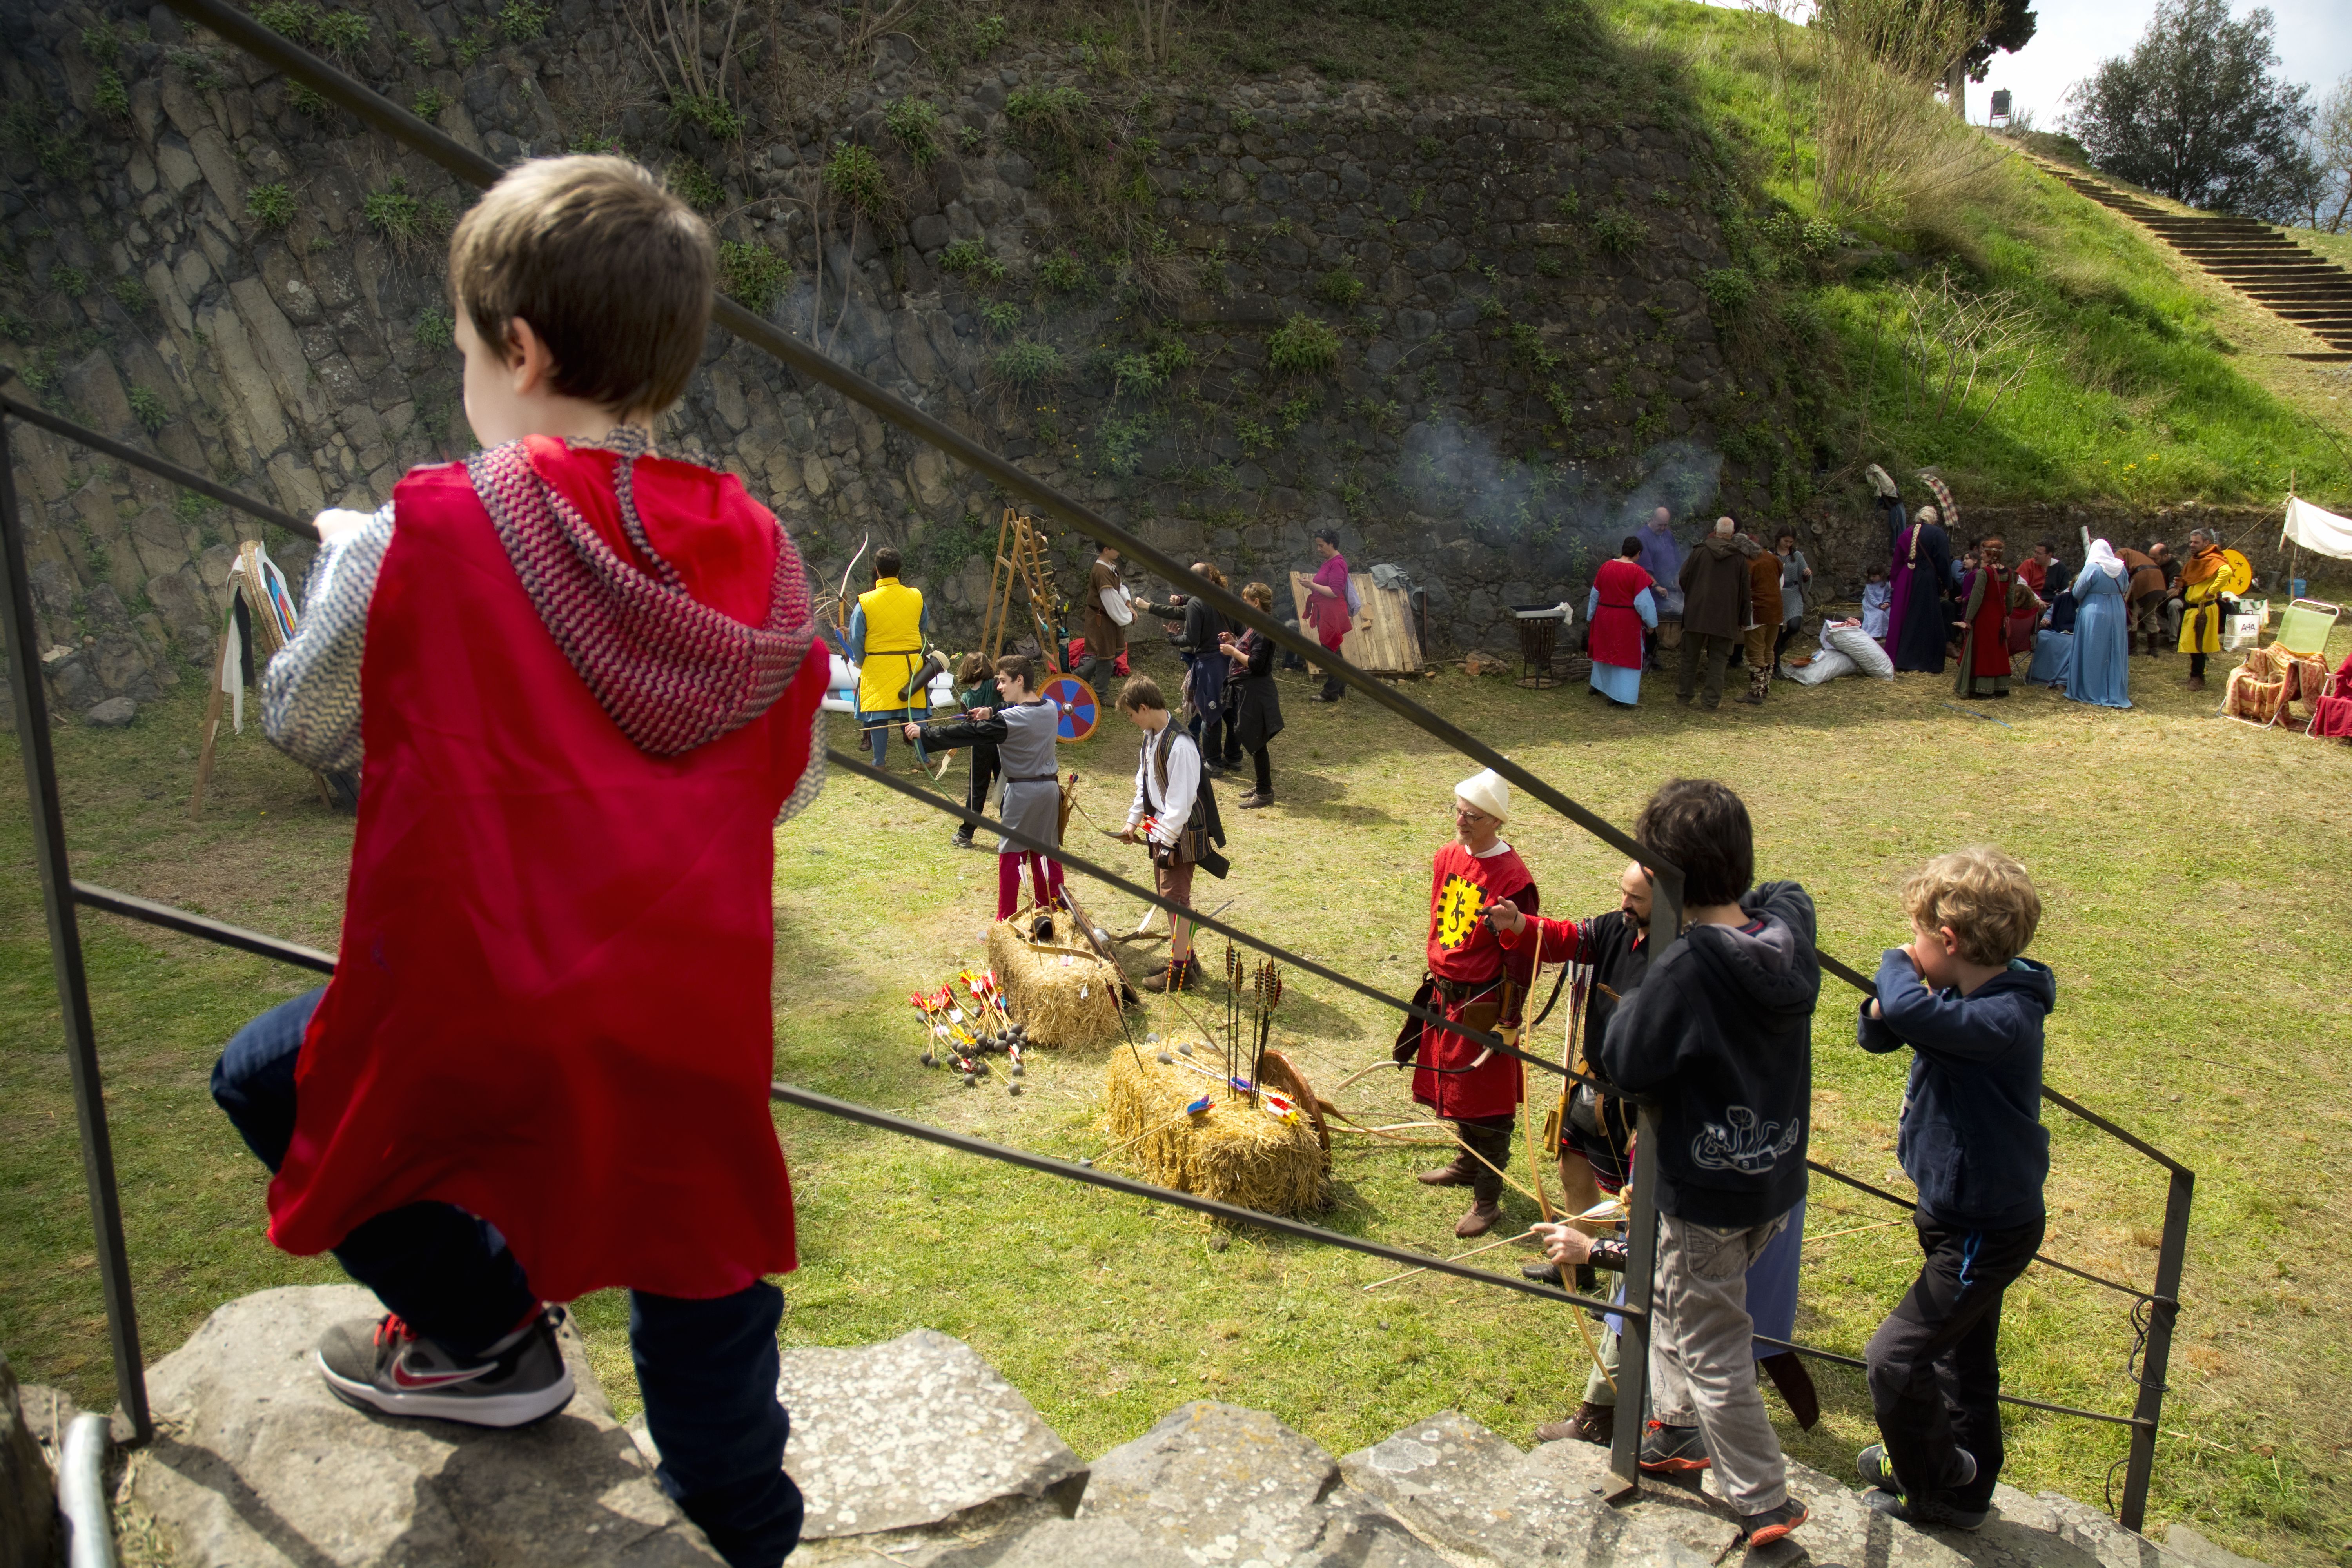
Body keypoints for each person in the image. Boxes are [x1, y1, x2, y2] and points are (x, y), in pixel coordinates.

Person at [214, 156, 824, 1568]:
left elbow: (307, 716)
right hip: (687, 999)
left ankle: (483, 1330)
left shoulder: (423, 524)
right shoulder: (764, 550)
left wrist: (347, 563)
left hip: (483, 990)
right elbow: (780, 782)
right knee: (699, 1251)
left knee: (269, 1076)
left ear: (519, 347)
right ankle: (743, 1527)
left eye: (459, 345)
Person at [1591, 779, 1819, 1550]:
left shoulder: (1686, 968)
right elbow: (1787, 891)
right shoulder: (1786, 933)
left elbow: (1625, 1059)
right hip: (1775, 1178)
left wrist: (1659, 960)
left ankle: (1764, 1498)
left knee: (1714, 1340)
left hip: (1707, 1191)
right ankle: (1676, 1430)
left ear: (1665, 878)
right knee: (1671, 1293)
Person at [1856, 848, 2053, 1530]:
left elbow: (1909, 1007)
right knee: (1964, 1359)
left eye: (1915, 936)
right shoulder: (1965, 1000)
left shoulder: (2002, 1021)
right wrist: (1892, 1009)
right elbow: (1885, 1034)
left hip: (1983, 1228)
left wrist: (1898, 969)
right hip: (1957, 1211)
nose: (1907, 949)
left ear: (1947, 942)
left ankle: (1935, 1477)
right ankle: (1963, 1489)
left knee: (1895, 1359)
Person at [1402, 769, 1540, 1240]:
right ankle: (1466, 1162)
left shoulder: (1513, 879)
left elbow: (1520, 958)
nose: (1461, 821)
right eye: (1458, 811)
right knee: (1457, 1089)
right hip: (1447, 996)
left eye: (1472, 816)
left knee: (1489, 1103)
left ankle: (1488, 1199)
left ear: (1495, 822)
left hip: (1484, 1003)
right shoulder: (1446, 856)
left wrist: (1509, 1019)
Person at [907, 655, 1065, 917]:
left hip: (1022, 794)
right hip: (1049, 792)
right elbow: (1022, 710)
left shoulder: (1009, 721)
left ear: (1020, 680)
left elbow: (968, 734)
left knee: (1011, 856)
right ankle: (1053, 915)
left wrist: (924, 735)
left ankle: (1005, 922)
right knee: (1046, 854)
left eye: (1004, 682)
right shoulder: (1050, 707)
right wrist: (991, 711)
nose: (1000, 687)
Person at [1116, 676, 1226, 993]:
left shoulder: (1181, 745)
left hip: (1178, 833)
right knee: (1168, 898)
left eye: (1132, 714)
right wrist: (1132, 823)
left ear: (1145, 707)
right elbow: (1145, 784)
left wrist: (1165, 842)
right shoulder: (1151, 738)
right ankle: (1187, 960)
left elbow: (1180, 803)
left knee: (1176, 900)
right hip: (1160, 830)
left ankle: (1180, 974)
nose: (1132, 720)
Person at [1139, 563, 1232, 773]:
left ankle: (1213, 762)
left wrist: (1173, 638)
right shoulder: (1225, 599)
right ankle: (1234, 757)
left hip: (1210, 663)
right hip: (1228, 659)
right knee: (1229, 710)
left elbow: (1191, 638)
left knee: (1210, 713)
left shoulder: (1197, 603)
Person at [848, 545, 934, 769]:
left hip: (878, 666)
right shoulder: (915, 595)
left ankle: (879, 762)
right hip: (910, 665)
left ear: (877, 571)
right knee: (913, 714)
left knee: (878, 717)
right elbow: (922, 625)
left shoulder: (865, 601)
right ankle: (923, 759)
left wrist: (860, 660)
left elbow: (857, 638)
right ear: (899, 570)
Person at [1676, 517, 1760, 710]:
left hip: (1697, 614)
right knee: (1718, 661)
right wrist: (1744, 619)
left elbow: (1683, 577)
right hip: (1725, 617)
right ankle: (1710, 702)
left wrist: (1693, 596)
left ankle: (1684, 697)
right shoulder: (1738, 558)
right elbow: (1745, 592)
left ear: (1715, 530)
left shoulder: (1699, 552)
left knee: (1690, 658)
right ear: (1732, 534)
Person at [1221, 582, 1285, 808]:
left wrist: (1233, 651)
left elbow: (1257, 664)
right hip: (1249, 690)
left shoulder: (1264, 628)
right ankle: (1261, 786)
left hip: (1256, 691)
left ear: (1256, 602)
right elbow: (1251, 650)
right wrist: (1234, 641)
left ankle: (1265, 792)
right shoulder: (1256, 626)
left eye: (1246, 601)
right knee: (1253, 737)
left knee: (1256, 739)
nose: (1244, 605)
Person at [1586, 537, 1658, 708]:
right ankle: (1620, 695)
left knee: (1605, 652)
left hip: (1604, 617)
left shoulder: (1606, 567)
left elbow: (1594, 594)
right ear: (1638, 553)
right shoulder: (1638, 573)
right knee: (1626, 657)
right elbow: (1644, 603)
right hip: (1626, 621)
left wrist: (1591, 617)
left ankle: (1599, 686)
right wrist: (1652, 624)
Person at [1953, 537, 2024, 700]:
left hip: (1985, 616)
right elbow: (2010, 597)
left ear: (1991, 555)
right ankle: (2000, 687)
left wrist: (1969, 618)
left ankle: (1982, 688)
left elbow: (1977, 597)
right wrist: (2007, 613)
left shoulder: (1985, 573)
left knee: (1984, 651)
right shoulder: (2009, 573)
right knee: (1998, 651)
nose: (1981, 555)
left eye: (1984, 553)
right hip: (1999, 616)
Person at [1887, 504, 1954, 674]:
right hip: (1926, 580)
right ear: (1933, 520)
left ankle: (1902, 659)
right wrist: (1948, 584)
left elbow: (1896, 562)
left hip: (1905, 578)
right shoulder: (1937, 534)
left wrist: (1896, 582)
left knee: (1904, 618)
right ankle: (1922, 661)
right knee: (1925, 619)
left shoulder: (1906, 533)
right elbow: (1943, 561)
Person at [2064, 541, 2132, 709]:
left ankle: (2091, 689)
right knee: (2114, 649)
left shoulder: (2093, 568)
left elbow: (2077, 592)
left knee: (2092, 649)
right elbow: (2124, 587)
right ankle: (2113, 689)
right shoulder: (2121, 568)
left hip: (2094, 610)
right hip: (2117, 610)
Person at [1294, 527, 1358, 702]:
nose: (1319, 549)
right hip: (1327, 611)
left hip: (1332, 613)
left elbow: (1335, 592)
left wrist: (1312, 586)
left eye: (1321, 545)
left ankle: (1330, 693)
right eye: (1318, 546)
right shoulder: (1330, 561)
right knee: (1333, 651)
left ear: (1332, 543)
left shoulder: (1337, 563)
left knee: (1329, 653)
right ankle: (1340, 687)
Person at [947, 652, 998, 851]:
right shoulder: (997, 685)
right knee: (1006, 787)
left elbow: (970, 728)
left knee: (977, 790)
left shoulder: (967, 697)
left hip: (982, 746)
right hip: (1003, 743)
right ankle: (1014, 836)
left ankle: (965, 834)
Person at [1078, 541, 1134, 693]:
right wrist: (1127, 616)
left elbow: (1120, 588)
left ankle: (1080, 677)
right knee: (1107, 656)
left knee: (1113, 652)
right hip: (1101, 617)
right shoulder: (1101, 571)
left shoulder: (1111, 566)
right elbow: (1110, 599)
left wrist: (1128, 606)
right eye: (1116, 548)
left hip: (1107, 616)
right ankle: (1099, 693)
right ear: (1106, 550)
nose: (1119, 552)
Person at [2177, 529, 2229, 691]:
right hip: (2193, 608)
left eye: (2196, 542)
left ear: (2206, 543)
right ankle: (2196, 674)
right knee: (2193, 645)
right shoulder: (2198, 560)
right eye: (2191, 542)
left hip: (2203, 610)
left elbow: (2227, 571)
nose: (2192, 545)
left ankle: (2198, 677)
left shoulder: (2213, 559)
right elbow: (2193, 580)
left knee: (2199, 645)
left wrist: (2212, 591)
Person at [1635, 506, 1684, 671]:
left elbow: (1676, 560)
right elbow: (1644, 570)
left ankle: (1655, 655)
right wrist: (1656, 586)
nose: (1663, 529)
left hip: (1668, 587)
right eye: (1660, 525)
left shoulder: (1667, 534)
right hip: (1651, 589)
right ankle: (1649, 657)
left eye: (1666, 525)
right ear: (1653, 519)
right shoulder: (1642, 537)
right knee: (1650, 623)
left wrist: (1677, 579)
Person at [1740, 532, 1782, 705]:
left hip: (1758, 609)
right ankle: (1765, 688)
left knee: (1756, 651)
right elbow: (1780, 575)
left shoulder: (1748, 564)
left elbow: (1744, 587)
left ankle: (1756, 693)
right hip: (1776, 608)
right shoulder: (1772, 558)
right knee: (1768, 649)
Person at [2024, 566, 2076, 688]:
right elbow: (2049, 614)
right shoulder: (2062, 599)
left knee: (2074, 644)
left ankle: (2062, 681)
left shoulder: (2087, 602)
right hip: (2058, 631)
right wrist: (2046, 620)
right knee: (2043, 635)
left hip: (2075, 635)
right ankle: (2039, 679)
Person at [2118, 545, 2168, 659]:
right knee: (2150, 615)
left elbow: (2119, 570)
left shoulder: (2121, 553)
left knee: (2132, 614)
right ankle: (2153, 649)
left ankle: (2132, 649)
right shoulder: (2136, 555)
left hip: (2141, 576)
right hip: (2157, 577)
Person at [1773, 530, 1812, 668]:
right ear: (1779, 539)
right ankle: (1776, 664)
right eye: (1786, 541)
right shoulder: (1771, 555)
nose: (1788, 544)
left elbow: (1804, 574)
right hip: (1777, 593)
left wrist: (1807, 575)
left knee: (1794, 626)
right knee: (1776, 631)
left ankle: (1785, 641)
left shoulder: (1797, 556)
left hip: (1794, 593)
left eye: (1791, 542)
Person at [1860, 565, 1892, 643]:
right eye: (1871, 576)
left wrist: (1886, 603)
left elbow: (1887, 596)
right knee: (1879, 613)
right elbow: (1871, 599)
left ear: (1881, 575)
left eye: (1874, 576)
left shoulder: (1887, 585)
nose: (1872, 579)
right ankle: (1875, 633)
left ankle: (1886, 632)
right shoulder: (1869, 586)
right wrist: (1879, 605)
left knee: (1890, 612)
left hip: (1882, 605)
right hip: (1871, 605)